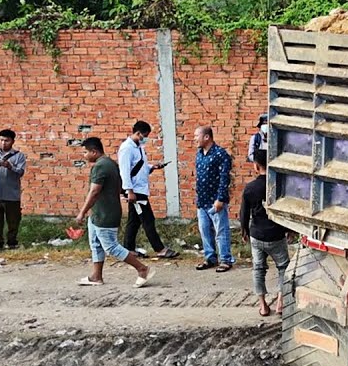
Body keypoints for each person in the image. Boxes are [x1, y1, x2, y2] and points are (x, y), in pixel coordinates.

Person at [74, 137, 154, 288]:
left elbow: (94, 191)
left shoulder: (100, 167)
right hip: (98, 212)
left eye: (85, 152)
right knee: (95, 243)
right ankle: (96, 276)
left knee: (111, 247)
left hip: (105, 214)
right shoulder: (110, 163)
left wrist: (82, 212)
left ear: (94, 151)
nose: (84, 156)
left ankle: (142, 269)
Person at [118, 120, 179, 259]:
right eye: (144, 135)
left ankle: (128, 249)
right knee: (148, 219)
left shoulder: (138, 147)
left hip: (140, 188)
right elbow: (125, 171)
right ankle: (160, 249)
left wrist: (152, 167)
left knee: (134, 220)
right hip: (135, 190)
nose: (145, 138)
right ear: (138, 133)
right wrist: (129, 191)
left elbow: (140, 167)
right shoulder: (127, 148)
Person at [240, 150, 291, 316]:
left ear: (256, 166)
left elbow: (244, 213)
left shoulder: (250, 188)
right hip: (276, 234)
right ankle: (281, 303)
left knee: (258, 269)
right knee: (283, 267)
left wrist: (244, 231)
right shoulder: (278, 186)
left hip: (256, 235)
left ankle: (263, 306)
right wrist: (289, 230)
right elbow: (286, 211)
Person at [193, 126, 235, 272]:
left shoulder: (220, 154)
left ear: (206, 137)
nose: (194, 139)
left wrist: (220, 199)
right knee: (205, 231)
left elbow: (224, 178)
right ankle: (210, 257)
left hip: (215, 200)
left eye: (196, 136)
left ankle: (225, 259)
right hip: (202, 200)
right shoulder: (199, 154)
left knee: (221, 231)